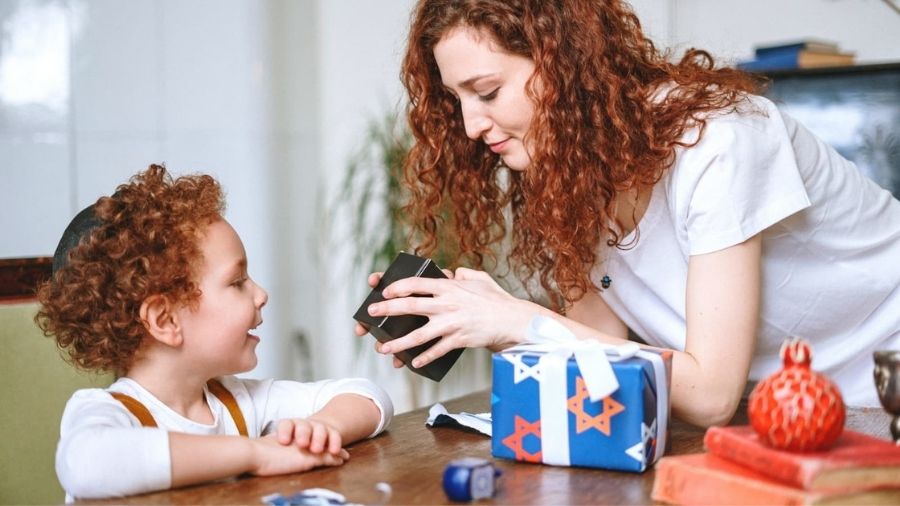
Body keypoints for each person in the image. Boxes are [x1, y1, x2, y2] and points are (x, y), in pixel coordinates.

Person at [356, 0, 900, 427]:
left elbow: (709, 395)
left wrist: (518, 319)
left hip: (880, 391)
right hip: (778, 412)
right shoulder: (566, 176)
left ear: (561, 65)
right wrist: (477, 319)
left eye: (488, 92)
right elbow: (599, 355)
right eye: (457, 100)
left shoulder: (721, 139)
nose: (471, 125)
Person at [37, 165, 393, 501]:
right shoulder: (109, 413)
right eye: (238, 282)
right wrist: (257, 454)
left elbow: (368, 397)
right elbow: (88, 463)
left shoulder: (237, 402)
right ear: (165, 320)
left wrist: (321, 428)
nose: (261, 294)